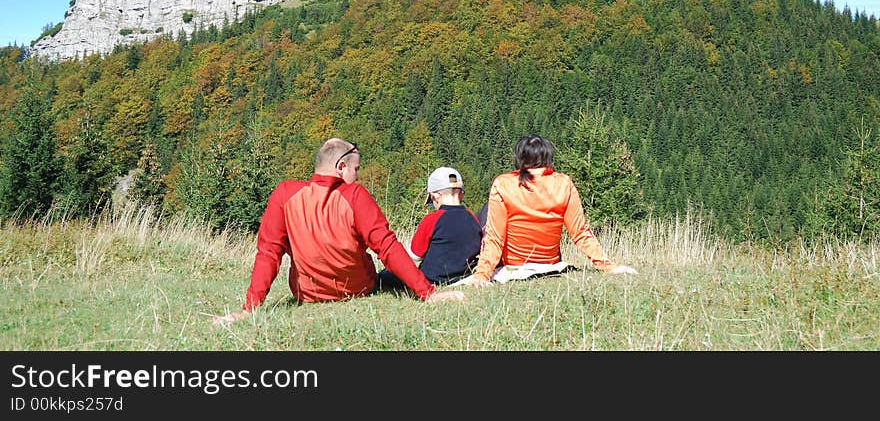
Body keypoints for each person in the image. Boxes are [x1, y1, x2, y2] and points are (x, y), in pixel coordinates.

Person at [212, 138, 464, 325]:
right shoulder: (355, 195)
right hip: (358, 289)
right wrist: (427, 294)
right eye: (356, 169)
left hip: (306, 295)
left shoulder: (285, 194)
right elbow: (386, 247)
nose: (357, 175)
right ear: (341, 166)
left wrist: (250, 308)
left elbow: (268, 253)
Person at [466, 135, 637, 287]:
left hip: (513, 264)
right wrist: (607, 265)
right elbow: (580, 232)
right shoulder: (564, 183)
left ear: (519, 159)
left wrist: (482, 274)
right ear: (548, 159)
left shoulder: (503, 184)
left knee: (484, 215)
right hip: (550, 264)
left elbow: (495, 237)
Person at [376, 166, 483, 291]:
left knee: (384, 276)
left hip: (432, 279)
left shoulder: (432, 220)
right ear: (461, 195)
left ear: (435, 196)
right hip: (463, 275)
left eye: (431, 201)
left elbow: (414, 256)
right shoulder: (473, 217)